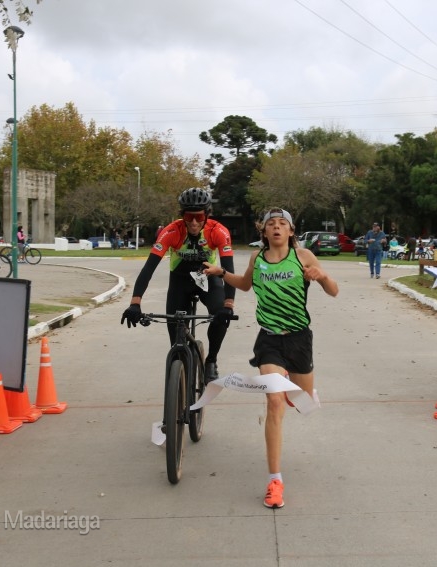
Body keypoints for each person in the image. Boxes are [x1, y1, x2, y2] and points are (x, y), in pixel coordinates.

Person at [202, 207, 338, 509]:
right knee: (275, 401)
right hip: (269, 340)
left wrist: (322, 276)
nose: (276, 228)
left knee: (306, 402)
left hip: (300, 338)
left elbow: (334, 291)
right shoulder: (257, 259)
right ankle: (275, 480)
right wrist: (221, 273)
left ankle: (295, 387)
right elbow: (247, 284)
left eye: (282, 224)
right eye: (271, 224)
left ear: (291, 231)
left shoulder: (304, 257)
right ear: (263, 232)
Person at [120, 188, 236, 382]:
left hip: (207, 277)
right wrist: (135, 303)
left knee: (220, 316)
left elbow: (228, 270)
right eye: (189, 216)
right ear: (182, 215)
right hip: (180, 280)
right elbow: (148, 269)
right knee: (175, 342)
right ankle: (180, 375)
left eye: (198, 216)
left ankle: (211, 360)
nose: (193, 222)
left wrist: (229, 305)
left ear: (206, 215)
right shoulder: (171, 232)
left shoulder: (219, 232)